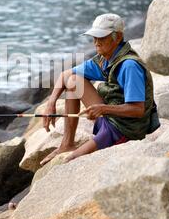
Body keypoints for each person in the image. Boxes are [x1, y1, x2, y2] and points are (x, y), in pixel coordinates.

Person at [40, 13, 155, 165]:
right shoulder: (104, 59)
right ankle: (66, 144)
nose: (96, 42)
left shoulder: (129, 66)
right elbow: (65, 75)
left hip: (124, 129)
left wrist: (103, 109)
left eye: (101, 38)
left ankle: (86, 145)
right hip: (109, 118)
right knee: (74, 80)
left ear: (118, 37)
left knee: (72, 160)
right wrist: (51, 102)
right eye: (94, 37)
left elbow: (138, 110)